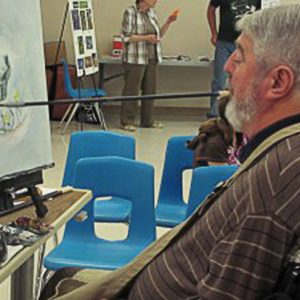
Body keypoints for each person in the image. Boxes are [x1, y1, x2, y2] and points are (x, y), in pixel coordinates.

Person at [41, 5, 300, 299]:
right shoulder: (280, 153)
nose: (226, 67)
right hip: (150, 278)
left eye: (238, 58)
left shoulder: (275, 180)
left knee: (59, 284)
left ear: (278, 82)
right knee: (62, 277)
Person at [120, 0, 177, 131]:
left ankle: (147, 120)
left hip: (152, 57)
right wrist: (146, 38)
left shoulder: (152, 13)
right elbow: (126, 37)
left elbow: (158, 35)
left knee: (150, 89)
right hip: (135, 58)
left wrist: (168, 22)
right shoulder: (130, 12)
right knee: (132, 90)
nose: (156, 1)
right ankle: (127, 121)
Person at [207, 0, 261, 118]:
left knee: (250, 79)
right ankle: (215, 116)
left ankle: (245, 115)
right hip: (225, 42)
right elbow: (211, 9)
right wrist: (213, 33)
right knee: (220, 80)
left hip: (249, 42)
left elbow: (264, 15)